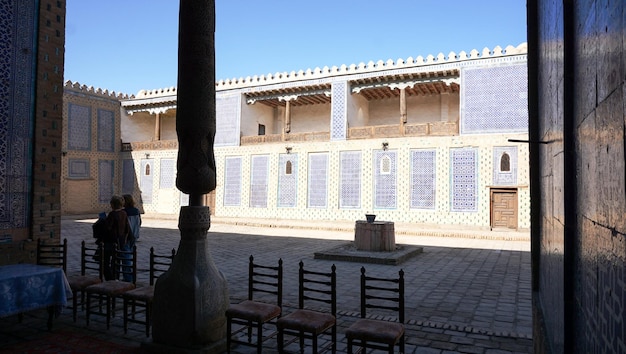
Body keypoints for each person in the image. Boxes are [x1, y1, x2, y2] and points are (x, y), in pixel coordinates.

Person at [103, 195, 131, 281]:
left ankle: (110, 278)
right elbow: (127, 228)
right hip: (121, 241)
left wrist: (103, 220)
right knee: (117, 260)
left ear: (113, 204)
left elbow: (108, 228)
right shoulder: (124, 213)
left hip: (111, 241)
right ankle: (117, 277)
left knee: (107, 261)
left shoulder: (112, 214)